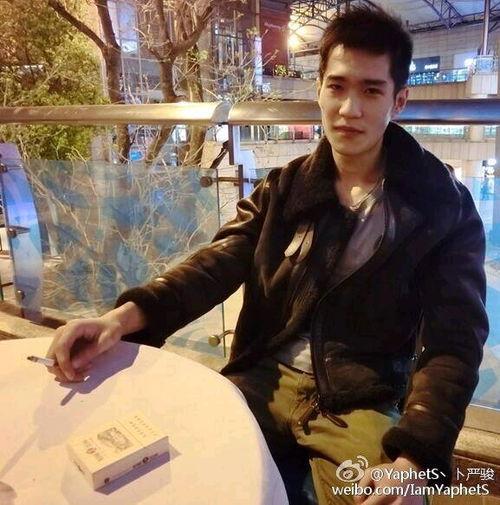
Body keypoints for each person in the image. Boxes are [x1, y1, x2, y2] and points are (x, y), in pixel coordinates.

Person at [46, 5, 489, 505]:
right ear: (319, 89)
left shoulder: (441, 206)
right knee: (184, 479)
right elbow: (218, 261)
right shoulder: (286, 188)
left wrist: (415, 457)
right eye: (337, 86)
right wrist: (121, 318)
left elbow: (455, 339)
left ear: (398, 100)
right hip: (261, 377)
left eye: (371, 90)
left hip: (358, 398)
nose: (349, 109)